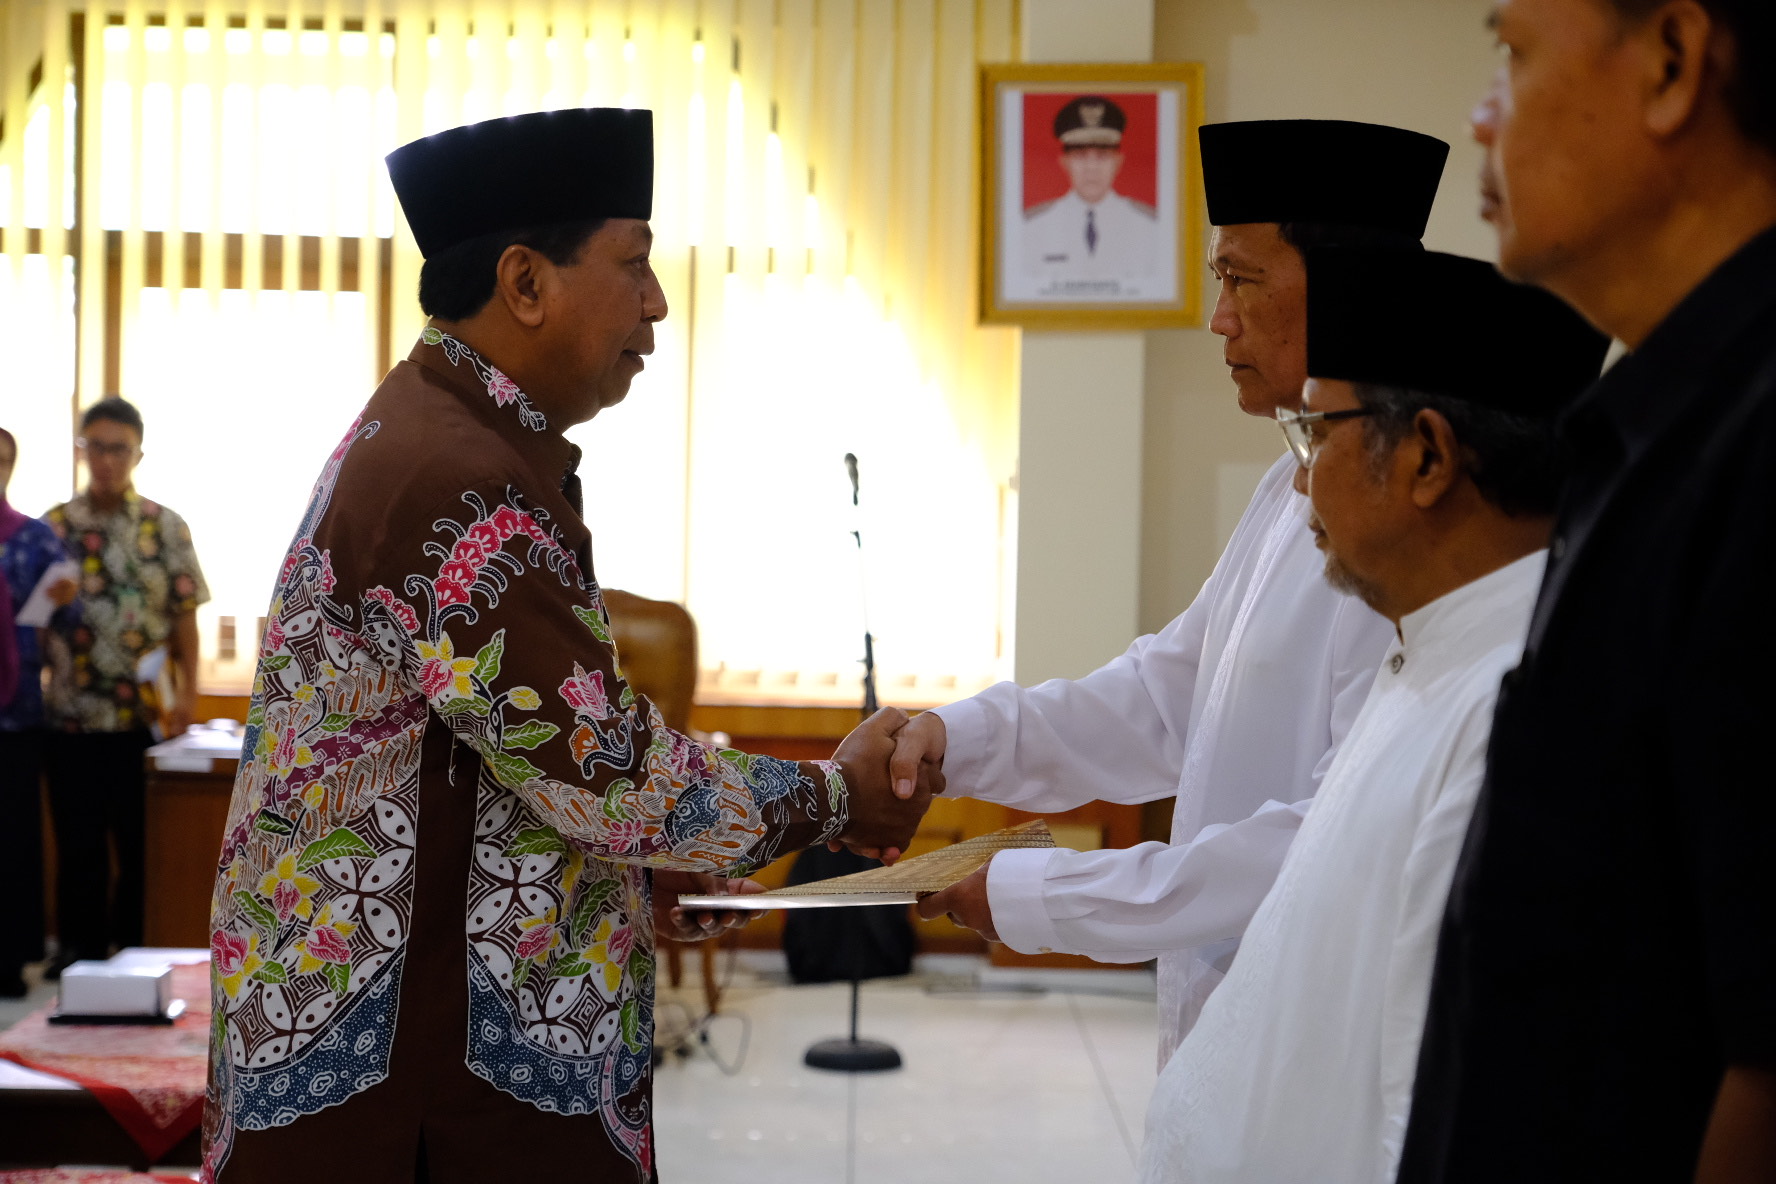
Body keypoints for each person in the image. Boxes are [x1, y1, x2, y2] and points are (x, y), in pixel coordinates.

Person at [200, 108, 929, 1183]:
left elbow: (510, 766)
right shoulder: (457, 477)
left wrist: (633, 867)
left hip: (413, 1047)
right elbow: (608, 774)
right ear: (526, 282)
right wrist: (832, 796)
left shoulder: (447, 434)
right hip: (413, 1080)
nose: (658, 301)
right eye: (633, 262)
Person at [905, 119, 1447, 1060]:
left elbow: (1335, 832)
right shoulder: (1287, 482)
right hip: (1224, 1031)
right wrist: (954, 743)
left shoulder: (1415, 528)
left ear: (1347, 286)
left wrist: (1047, 896)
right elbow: (1169, 701)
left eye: (1241, 279)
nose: (1218, 318)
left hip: (1321, 1043)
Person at [1399, 2, 1776, 1180]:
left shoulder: (1757, 451)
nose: (1482, 116)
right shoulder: (1655, 426)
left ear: (1671, 61)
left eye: (1513, 54)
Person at [1137, 247, 1608, 1183]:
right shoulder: (1425, 655)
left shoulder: (1510, 720)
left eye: (1317, 432)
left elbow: (1437, 1109)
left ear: (1428, 456)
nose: (1302, 481)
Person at [41, 397, 209, 973]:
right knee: (78, 844)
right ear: (81, 449)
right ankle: (79, 954)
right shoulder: (54, 528)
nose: (106, 460)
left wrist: (188, 697)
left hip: (145, 718)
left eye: (118, 448)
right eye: (95, 447)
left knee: (141, 847)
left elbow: (186, 618)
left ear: (138, 453)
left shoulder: (164, 526)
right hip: (70, 714)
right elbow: (31, 620)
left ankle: (135, 952)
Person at [0, 427, 72, 996]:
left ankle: (11, 959)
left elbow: (65, 617)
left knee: (16, 836)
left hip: (17, 711)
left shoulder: (34, 538)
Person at [1021, 95, 1161, 287]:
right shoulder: (1032, 227)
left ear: (1118, 162)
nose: (1091, 167)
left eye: (1102, 156)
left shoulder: (1150, 226)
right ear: (1064, 162)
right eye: (1080, 155)